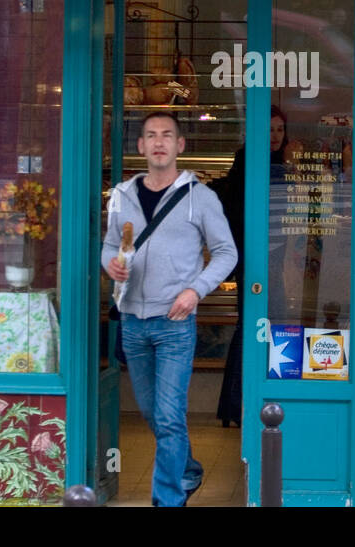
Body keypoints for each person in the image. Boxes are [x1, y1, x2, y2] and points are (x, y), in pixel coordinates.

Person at [102, 112, 237, 506]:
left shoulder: (201, 197)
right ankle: (189, 470)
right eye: (150, 136)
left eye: (167, 135)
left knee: (168, 416)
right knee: (153, 414)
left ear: (179, 145)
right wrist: (107, 262)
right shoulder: (121, 196)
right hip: (132, 321)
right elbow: (111, 245)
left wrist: (195, 291)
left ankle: (167, 499)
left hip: (175, 322)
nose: (158, 142)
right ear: (141, 146)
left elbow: (227, 252)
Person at [212, 106, 288, 427]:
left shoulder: (282, 163)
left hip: (275, 255)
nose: (274, 137)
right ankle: (236, 404)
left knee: (264, 323)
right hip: (251, 257)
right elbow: (235, 207)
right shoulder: (246, 161)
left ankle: (249, 402)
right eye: (269, 130)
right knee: (252, 325)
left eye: (279, 130)